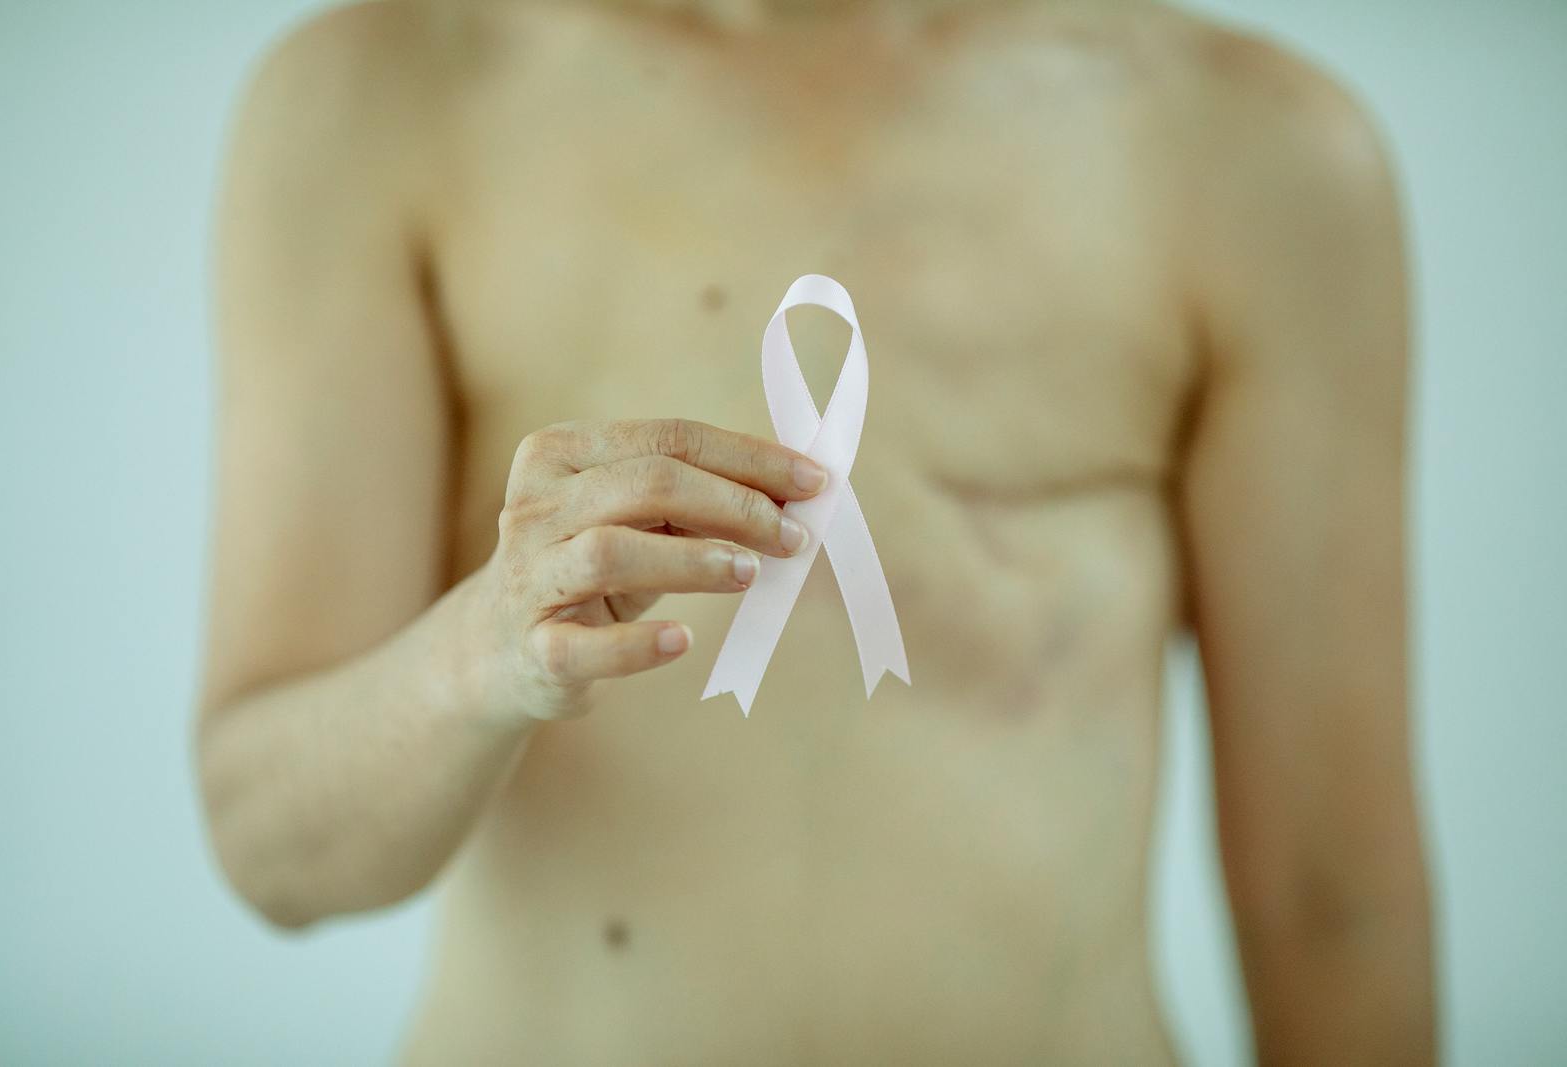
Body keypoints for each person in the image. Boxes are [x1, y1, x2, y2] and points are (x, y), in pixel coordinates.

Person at [194, 0, 1435, 1061]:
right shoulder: (375, 103)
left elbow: (1332, 900)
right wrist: (483, 650)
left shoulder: (1255, 155)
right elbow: (272, 848)